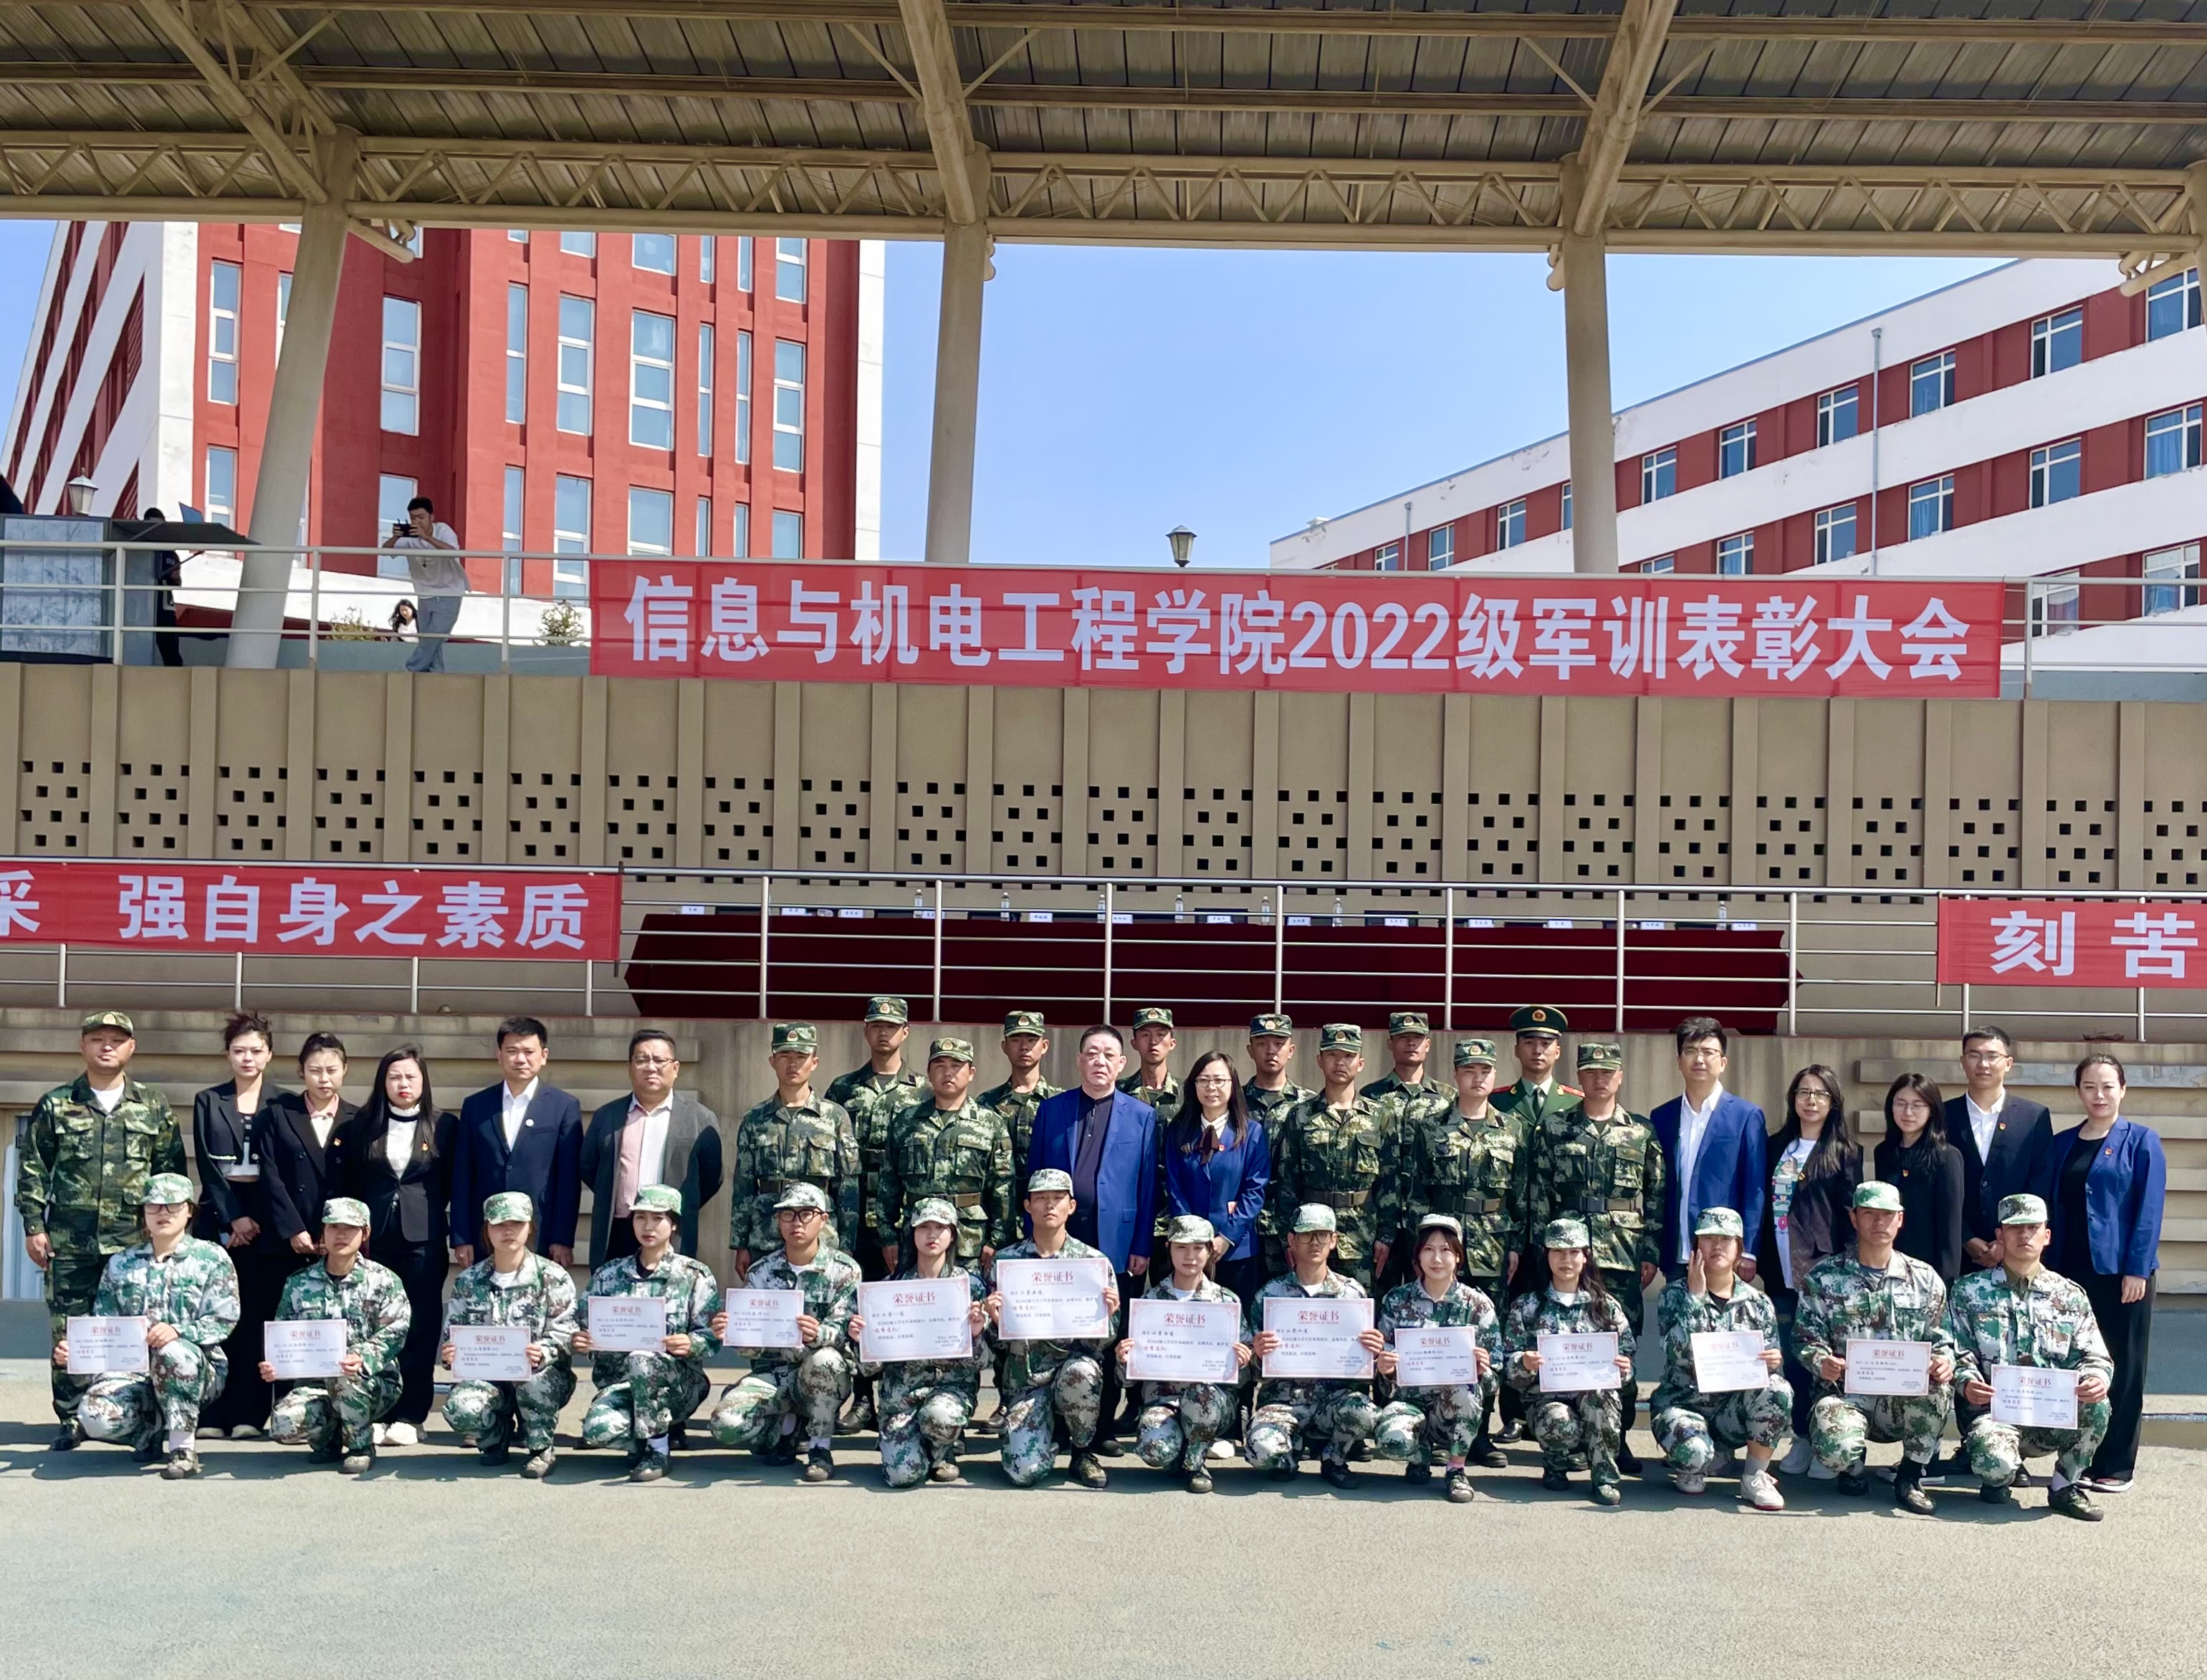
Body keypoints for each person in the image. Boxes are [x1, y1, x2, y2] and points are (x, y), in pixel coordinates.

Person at [16, 1009, 186, 1449]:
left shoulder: (153, 1105)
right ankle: (72, 1416)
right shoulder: (57, 1104)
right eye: (97, 1039)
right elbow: (33, 1169)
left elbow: (170, 1175)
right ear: (82, 1046)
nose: (106, 1047)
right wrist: (34, 1226)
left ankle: (139, 1415)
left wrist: (167, 1234)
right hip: (70, 1242)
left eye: (116, 1040)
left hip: (133, 1242)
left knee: (137, 1326)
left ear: (132, 1048)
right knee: (70, 1329)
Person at [1376, 1036, 1524, 1466]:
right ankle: (1426, 1423)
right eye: (1469, 1071)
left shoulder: (1513, 1128)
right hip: (1442, 1247)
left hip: (1492, 1244)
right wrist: (1424, 1245)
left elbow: (1522, 1195)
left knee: (1483, 1343)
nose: (1477, 1079)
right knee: (1431, 1331)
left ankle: (1476, 1433)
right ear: (1456, 1075)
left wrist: (1514, 1245)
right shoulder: (1431, 1127)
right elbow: (1416, 1191)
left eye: (1485, 1071)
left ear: (1494, 1075)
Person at [1522, 1040, 1662, 1472]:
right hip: (1569, 1252)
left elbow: (1656, 1195)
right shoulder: (1555, 1129)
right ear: (1579, 1078)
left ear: (1620, 1077)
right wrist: (1541, 1249)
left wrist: (1650, 1250)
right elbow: (1539, 1194)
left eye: (1607, 1072)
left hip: (1622, 1252)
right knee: (1566, 1338)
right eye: (1591, 1072)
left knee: (1620, 1345)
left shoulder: (1640, 1131)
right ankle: (1565, 1435)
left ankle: (1616, 1439)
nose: (1600, 1080)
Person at [54, 1173, 239, 1479]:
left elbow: (224, 1319)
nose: (163, 1213)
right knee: (94, 1416)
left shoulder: (212, 1258)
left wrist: (179, 1331)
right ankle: (148, 1434)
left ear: (189, 1211)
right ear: (143, 1213)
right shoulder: (121, 1264)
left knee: (172, 1351)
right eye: (153, 1206)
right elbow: (104, 1325)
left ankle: (182, 1448)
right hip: (133, 1370)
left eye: (172, 1206)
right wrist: (77, 1354)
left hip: (195, 1369)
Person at [2039, 1051, 2165, 1495]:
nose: (2099, 1095)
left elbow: (2149, 1211)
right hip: (2070, 1272)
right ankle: (2078, 1457)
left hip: (2121, 1275)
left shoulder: (2142, 1141)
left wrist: (2137, 1269)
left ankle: (2117, 1464)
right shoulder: (2062, 1143)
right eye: (2090, 1086)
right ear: (2078, 1092)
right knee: (2075, 1364)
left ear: (2123, 1090)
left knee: (2123, 1368)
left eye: (2108, 1086)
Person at [1791, 1181, 1957, 1514]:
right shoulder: (1824, 1277)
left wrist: (1943, 1361)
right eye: (1869, 1214)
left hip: (1903, 1400)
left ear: (1900, 1220)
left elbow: (1943, 1340)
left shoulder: (1925, 1279)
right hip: (1846, 1394)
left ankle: (1910, 1477)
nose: (1879, 1223)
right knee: (1836, 1448)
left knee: (1939, 1389)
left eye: (1887, 1215)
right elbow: (1805, 1338)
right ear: (1854, 1219)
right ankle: (1851, 1467)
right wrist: (1821, 1361)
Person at [1946, 1193, 2114, 1520]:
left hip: (2052, 1417)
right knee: (1996, 1465)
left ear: (2046, 1236)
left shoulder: (2069, 1295)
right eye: (2015, 1228)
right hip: (1993, 1413)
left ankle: (2065, 1486)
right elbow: (1957, 1351)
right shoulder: (1968, 1292)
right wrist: (1966, 1382)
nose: (2024, 1235)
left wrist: (2096, 1378)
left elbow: (2094, 1354)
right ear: (2000, 1235)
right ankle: (1998, 1476)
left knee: (2099, 1404)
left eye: (2033, 1228)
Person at [1029, 1024, 1158, 1448]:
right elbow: (1032, 1176)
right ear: (1079, 1060)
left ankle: (1101, 1427)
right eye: (1092, 1053)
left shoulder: (1142, 1116)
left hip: (1116, 1240)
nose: (1099, 1061)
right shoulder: (1052, 1110)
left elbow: (1147, 1187)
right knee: (1058, 1327)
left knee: (1109, 1332)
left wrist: (1142, 1245)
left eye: (1108, 1055)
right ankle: (1057, 1422)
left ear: (1121, 1064)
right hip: (1058, 1235)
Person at [337, 1042, 457, 1446]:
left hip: (423, 1238)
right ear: (382, 1082)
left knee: (421, 1323)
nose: (403, 1084)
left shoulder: (445, 1126)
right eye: (394, 1077)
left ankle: (411, 1413)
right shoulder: (361, 1125)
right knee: (376, 1323)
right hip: (375, 1239)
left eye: (410, 1076)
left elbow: (454, 1182)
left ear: (423, 1081)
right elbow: (351, 1181)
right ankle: (379, 1409)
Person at [710, 1182, 861, 1482]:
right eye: (788, 1214)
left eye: (807, 1214)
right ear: (778, 1220)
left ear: (824, 1220)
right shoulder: (761, 1272)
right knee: (725, 1425)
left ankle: (819, 1448)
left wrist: (820, 1334)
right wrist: (729, 1331)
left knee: (825, 1359)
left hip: (821, 1377)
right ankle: (785, 1428)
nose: (796, 1222)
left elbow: (847, 1329)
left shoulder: (845, 1271)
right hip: (773, 1374)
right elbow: (747, 1343)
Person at [575, 1184, 722, 1482]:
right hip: (622, 1384)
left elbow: (710, 1337)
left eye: (658, 1219)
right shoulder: (609, 1275)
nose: (648, 1227)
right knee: (598, 1431)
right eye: (640, 1217)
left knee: (643, 1358)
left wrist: (690, 1343)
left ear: (674, 1224)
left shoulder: (694, 1275)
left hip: (677, 1384)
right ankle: (649, 1433)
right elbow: (582, 1326)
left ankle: (658, 1449)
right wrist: (581, 1340)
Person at [1758, 1063, 1862, 1477]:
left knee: (1826, 1359)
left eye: (1820, 1094)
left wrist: (1849, 1268)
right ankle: (1801, 1435)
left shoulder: (1846, 1152)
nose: (1811, 1101)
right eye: (1804, 1092)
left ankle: (1828, 1440)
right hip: (1780, 1267)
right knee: (1791, 1355)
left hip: (1824, 1271)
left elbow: (1851, 1217)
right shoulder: (1775, 1146)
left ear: (1833, 1102)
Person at [1649, 1208, 1791, 1512]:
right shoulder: (1674, 1295)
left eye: (1725, 1240)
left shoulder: (1757, 1302)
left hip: (1731, 1411)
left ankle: (1754, 1476)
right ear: (1695, 1246)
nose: (1717, 1247)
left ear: (1738, 1248)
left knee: (1778, 1388)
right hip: (1684, 1404)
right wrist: (1695, 1299)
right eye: (1708, 1239)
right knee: (1695, 1455)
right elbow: (1675, 1353)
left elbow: (1769, 1367)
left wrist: (1772, 1361)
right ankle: (1698, 1460)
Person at [988, 1168, 1121, 1488]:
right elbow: (996, 1344)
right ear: (1027, 1206)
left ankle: (1082, 1452)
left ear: (1071, 1206)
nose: (1049, 1205)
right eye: (1041, 1199)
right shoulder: (1007, 1263)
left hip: (1071, 1372)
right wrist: (993, 1321)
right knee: (1023, 1473)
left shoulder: (1092, 1263)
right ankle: (1041, 1445)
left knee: (1083, 1372)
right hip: (1026, 1379)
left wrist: (1108, 1316)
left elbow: (1104, 1342)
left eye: (1058, 1198)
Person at [262, 1197, 411, 1475]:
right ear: (323, 1232)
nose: (340, 1235)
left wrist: (362, 1356)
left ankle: (360, 1446)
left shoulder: (383, 1281)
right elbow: (284, 1334)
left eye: (349, 1228)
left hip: (371, 1381)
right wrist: (277, 1366)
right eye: (333, 1227)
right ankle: (328, 1439)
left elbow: (396, 1331)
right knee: (283, 1424)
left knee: (344, 1376)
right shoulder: (299, 1283)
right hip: (315, 1382)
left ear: (365, 1233)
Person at [439, 1191, 578, 1478]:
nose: (508, 1231)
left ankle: (541, 1448)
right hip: (489, 1378)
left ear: (530, 1227)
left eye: (516, 1223)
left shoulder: (552, 1277)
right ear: (487, 1230)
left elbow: (566, 1330)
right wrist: (451, 1353)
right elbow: (454, 1331)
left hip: (539, 1375)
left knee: (535, 1380)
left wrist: (544, 1351)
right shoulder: (469, 1281)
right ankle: (495, 1440)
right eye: (500, 1224)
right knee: (460, 1407)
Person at [191, 1010, 284, 1437]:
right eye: (239, 1051)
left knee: (257, 1316)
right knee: (217, 1315)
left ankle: (250, 1413)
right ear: (228, 1055)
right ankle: (213, 1413)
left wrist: (256, 1219)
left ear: (269, 1055)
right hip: (221, 1212)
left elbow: (284, 1168)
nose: (248, 1058)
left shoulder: (284, 1102)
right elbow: (207, 1166)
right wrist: (233, 1217)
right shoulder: (209, 1100)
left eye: (256, 1051)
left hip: (268, 1215)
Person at [856, 1197, 992, 1487]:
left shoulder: (970, 1288)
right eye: (924, 1228)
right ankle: (912, 1445)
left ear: (952, 1235)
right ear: (912, 1234)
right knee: (902, 1476)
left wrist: (976, 1333)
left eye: (941, 1228)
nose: (932, 1235)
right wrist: (863, 1341)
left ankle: (942, 1450)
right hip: (901, 1398)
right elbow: (869, 1370)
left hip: (948, 1391)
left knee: (940, 1417)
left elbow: (983, 1363)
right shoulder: (889, 1290)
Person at [1244, 1203, 1382, 1487]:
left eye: (1322, 1235)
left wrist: (1374, 1354)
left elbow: (1363, 1369)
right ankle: (1290, 1452)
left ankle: (1334, 1458)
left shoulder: (1352, 1294)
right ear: (1292, 1240)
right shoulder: (1271, 1295)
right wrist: (1256, 1355)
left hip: (1332, 1402)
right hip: (1283, 1402)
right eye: (1307, 1235)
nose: (1315, 1242)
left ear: (1334, 1241)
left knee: (1365, 1412)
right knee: (1261, 1451)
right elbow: (1252, 1372)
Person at [1505, 1217, 1638, 1506]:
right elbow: (1509, 1366)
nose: (1566, 1260)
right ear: (1546, 1255)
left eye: (1574, 1252)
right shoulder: (1528, 1307)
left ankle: (1605, 1477)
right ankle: (1556, 1463)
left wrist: (1624, 1369)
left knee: (1601, 1397)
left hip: (1594, 1398)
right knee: (1558, 1420)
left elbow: (1627, 1358)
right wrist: (1524, 1363)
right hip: (1547, 1401)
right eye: (1558, 1252)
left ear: (1585, 1256)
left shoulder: (1605, 1306)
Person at [1115, 1214, 1251, 1493]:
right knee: (1154, 1450)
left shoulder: (1226, 1302)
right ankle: (1182, 1448)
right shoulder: (1150, 1303)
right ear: (1169, 1249)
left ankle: (1195, 1464)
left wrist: (1244, 1362)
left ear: (1210, 1251)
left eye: (1198, 1248)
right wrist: (1123, 1360)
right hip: (1163, 1401)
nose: (1190, 1256)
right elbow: (1127, 1380)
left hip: (1211, 1403)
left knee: (1201, 1394)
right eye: (1181, 1248)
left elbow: (1243, 1378)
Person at [1371, 1214, 1501, 1504]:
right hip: (1410, 1403)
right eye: (1429, 1249)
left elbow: (1495, 1378)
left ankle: (1456, 1470)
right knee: (1391, 1441)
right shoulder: (1397, 1300)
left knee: (1467, 1392)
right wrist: (1386, 1369)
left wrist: (1483, 1371)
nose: (1437, 1258)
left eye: (1446, 1250)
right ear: (1418, 1255)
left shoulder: (1478, 1306)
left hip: (1452, 1411)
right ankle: (1420, 1455)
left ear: (1459, 1257)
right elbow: (1384, 1372)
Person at [579, 1026, 723, 1268]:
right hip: (618, 1230)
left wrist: (675, 1209)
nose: (651, 1067)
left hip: (671, 1230)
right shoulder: (607, 1115)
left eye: (659, 1060)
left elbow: (711, 1177)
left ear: (675, 1068)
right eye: (642, 1060)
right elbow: (589, 1167)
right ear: (630, 1068)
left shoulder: (700, 1118)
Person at [726, 1023, 858, 1279]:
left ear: (814, 1062)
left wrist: (847, 1244)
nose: (793, 1064)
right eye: (785, 1056)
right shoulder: (755, 1119)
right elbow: (743, 1186)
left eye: (801, 1056)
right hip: (766, 1232)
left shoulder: (834, 1117)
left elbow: (848, 1187)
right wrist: (740, 1243)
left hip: (819, 1234)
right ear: (772, 1061)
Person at [449, 1016, 583, 1266]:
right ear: (499, 1055)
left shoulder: (564, 1106)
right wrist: (461, 1237)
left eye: (528, 1052)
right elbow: (463, 1175)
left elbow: (568, 1180)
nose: (520, 1059)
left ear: (544, 1056)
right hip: (486, 1230)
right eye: (512, 1051)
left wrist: (562, 1238)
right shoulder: (476, 1106)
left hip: (540, 1230)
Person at [876, 1037, 1015, 1275]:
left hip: (969, 1239)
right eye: (940, 1066)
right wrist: (887, 1236)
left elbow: (1003, 1188)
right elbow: (888, 1184)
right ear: (929, 1072)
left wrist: (997, 1240)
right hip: (916, 1238)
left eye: (956, 1066)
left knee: (969, 1295)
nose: (948, 1073)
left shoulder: (990, 1124)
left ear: (971, 1073)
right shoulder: (906, 1122)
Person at [1268, 1024, 1388, 1289]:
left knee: (1360, 1306)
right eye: (1332, 1055)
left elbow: (1391, 1183)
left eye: (1348, 1056)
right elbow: (1286, 1182)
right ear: (1319, 1061)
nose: (1340, 1062)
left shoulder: (1380, 1117)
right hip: (1310, 1235)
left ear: (1361, 1063)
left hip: (1362, 1235)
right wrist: (1288, 1236)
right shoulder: (1300, 1116)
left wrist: (1386, 1235)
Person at [1651, 1017, 1768, 1286]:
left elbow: (1755, 1189)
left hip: (1724, 1256)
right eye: (1691, 1051)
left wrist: (1749, 1249)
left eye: (1708, 1052)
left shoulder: (1746, 1116)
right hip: (1677, 1255)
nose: (1699, 1059)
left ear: (1723, 1062)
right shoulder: (1662, 1117)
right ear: (1679, 1061)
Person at [825, 994, 928, 1280]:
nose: (883, 1033)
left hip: (901, 1214)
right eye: (877, 1026)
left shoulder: (923, 1091)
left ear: (905, 1032)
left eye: (891, 1026)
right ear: (866, 1031)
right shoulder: (844, 1088)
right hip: (852, 1212)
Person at [1162, 1050, 1271, 1305]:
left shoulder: (1251, 1133)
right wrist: (1193, 1239)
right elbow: (1174, 1187)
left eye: (1219, 1080)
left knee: (1236, 1319)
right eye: (1203, 1080)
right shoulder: (1179, 1131)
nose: (1211, 1087)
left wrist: (1226, 1238)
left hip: (1235, 1249)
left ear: (1233, 1085)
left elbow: (1255, 1190)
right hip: (1189, 1252)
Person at [1950, 1027, 2054, 1269]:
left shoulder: (2033, 1117)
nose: (1983, 1064)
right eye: (1974, 1055)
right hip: (1955, 1252)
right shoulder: (1942, 1115)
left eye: (1992, 1056)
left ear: (2008, 1063)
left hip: (2017, 1253)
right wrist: (1965, 1237)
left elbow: (2040, 1183)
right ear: (1963, 1062)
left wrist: (2005, 1240)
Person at [257, 1031, 355, 1269]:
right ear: (302, 1071)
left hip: (339, 1238)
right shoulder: (278, 1114)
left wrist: (337, 1231)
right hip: (287, 1237)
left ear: (344, 1070)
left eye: (331, 1070)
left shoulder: (358, 1119)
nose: (324, 1079)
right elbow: (270, 1175)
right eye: (315, 1071)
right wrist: (293, 1229)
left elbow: (359, 1181)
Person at [1872, 1072, 1965, 1284]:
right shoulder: (1884, 1153)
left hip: (1929, 1272)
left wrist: (1945, 1285)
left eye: (1917, 1105)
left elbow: (1950, 1231)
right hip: (1889, 1268)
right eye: (1901, 1104)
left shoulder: (1947, 1157)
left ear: (1932, 1110)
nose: (1908, 1112)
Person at [1242, 1012, 1314, 1276]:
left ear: (1291, 1050)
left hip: (1290, 1226)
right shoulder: (1234, 1101)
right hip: (1242, 1222)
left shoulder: (1309, 1105)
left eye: (1279, 1044)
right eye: (1262, 1043)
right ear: (1250, 1050)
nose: (1271, 1051)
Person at [980, 1010, 1063, 1208]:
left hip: (1046, 1209)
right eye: (1016, 1040)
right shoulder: (986, 1103)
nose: (1024, 1047)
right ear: (1004, 1047)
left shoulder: (1060, 1102)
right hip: (998, 1208)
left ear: (1044, 1046)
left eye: (1032, 1040)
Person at [380, 494, 467, 673]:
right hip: (425, 593)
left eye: (421, 517)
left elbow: (453, 552)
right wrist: (395, 538)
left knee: (432, 638)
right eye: (413, 518)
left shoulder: (443, 531)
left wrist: (427, 538)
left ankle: (411, 670)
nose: (417, 522)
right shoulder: (410, 538)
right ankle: (436, 676)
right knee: (431, 641)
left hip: (450, 592)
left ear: (431, 517)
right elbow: (385, 551)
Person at [1496, 1004, 1579, 1128]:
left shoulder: (1576, 1103)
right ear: (1516, 1050)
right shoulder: (1496, 1101)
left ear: (1557, 1052)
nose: (1537, 1051)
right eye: (1529, 1043)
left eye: (1545, 1043)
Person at [1361, 1010, 1450, 1110]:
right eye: (1403, 1037)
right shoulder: (1370, 1095)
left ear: (1427, 1045)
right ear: (1390, 1044)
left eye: (1417, 1037)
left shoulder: (1448, 1097)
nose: (1411, 1043)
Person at [141, 507, 185, 666]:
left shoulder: (171, 553)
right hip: (142, 604)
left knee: (170, 650)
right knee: (137, 644)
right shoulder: (137, 549)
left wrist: (173, 575)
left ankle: (175, 676)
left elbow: (177, 582)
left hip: (164, 606)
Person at [1119, 1006, 1182, 1110]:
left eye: (1160, 1034)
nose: (1153, 1041)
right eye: (1145, 1035)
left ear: (1172, 1044)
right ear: (1134, 1044)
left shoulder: (1187, 1092)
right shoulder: (1119, 1091)